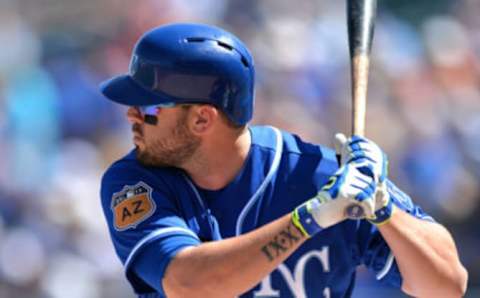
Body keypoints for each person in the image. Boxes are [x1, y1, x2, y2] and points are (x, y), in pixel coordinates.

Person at [99, 23, 467, 298]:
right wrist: (310, 219)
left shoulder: (319, 175)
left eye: (148, 107)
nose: (131, 115)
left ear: (202, 119)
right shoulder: (135, 182)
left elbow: (447, 285)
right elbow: (190, 284)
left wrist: (384, 209)